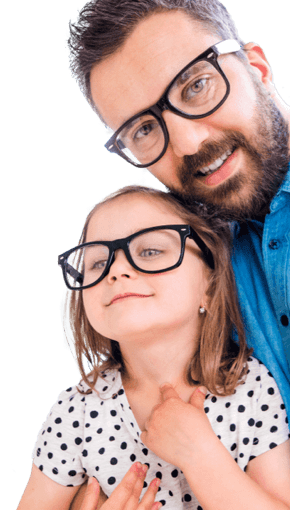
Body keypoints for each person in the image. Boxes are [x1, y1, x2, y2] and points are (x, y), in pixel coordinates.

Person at [65, 0, 290, 417]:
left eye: (196, 86)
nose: (187, 143)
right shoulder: (186, 259)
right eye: (144, 129)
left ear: (257, 67)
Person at [17, 185, 290, 510]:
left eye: (149, 251)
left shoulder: (251, 388)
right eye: (98, 262)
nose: (116, 271)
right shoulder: (76, 413)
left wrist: (199, 453)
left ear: (210, 283)